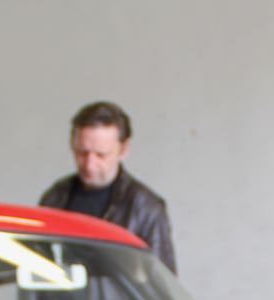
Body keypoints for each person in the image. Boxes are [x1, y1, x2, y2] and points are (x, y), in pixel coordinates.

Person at [37, 101, 177, 272]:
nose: (89, 165)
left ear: (123, 149)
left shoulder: (146, 209)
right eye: (82, 153)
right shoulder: (54, 198)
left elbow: (162, 280)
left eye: (101, 155)